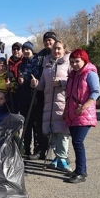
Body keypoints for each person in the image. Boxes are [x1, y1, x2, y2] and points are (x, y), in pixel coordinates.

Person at [30, 40, 72, 172]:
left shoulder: (68, 63)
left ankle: (63, 159)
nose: (56, 51)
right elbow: (42, 85)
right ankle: (56, 158)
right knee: (52, 132)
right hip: (49, 103)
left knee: (63, 133)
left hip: (63, 102)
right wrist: (35, 84)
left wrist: (61, 83)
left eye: (59, 48)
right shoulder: (47, 64)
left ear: (64, 50)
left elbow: (73, 80)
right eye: (54, 49)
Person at [63, 49, 100, 183]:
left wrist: (84, 106)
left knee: (78, 141)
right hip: (73, 114)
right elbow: (69, 96)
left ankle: (81, 172)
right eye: (72, 62)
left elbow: (96, 91)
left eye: (77, 61)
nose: (74, 64)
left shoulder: (90, 74)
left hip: (84, 113)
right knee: (76, 142)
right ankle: (79, 169)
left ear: (85, 60)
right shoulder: (73, 75)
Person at [30, 32, 58, 160]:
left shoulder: (60, 54)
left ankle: (59, 154)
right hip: (41, 92)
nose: (48, 43)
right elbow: (34, 70)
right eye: (46, 40)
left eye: (50, 40)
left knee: (58, 124)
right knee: (40, 123)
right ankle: (41, 149)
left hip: (56, 93)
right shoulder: (40, 55)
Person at [17, 41, 41, 157]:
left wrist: (36, 81)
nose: (26, 51)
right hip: (24, 99)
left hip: (36, 98)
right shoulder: (21, 65)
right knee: (26, 125)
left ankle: (37, 150)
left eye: (28, 49)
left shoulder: (38, 62)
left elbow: (42, 77)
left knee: (36, 126)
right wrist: (20, 81)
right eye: (24, 49)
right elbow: (20, 79)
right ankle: (26, 149)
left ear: (32, 50)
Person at [7, 42, 23, 113]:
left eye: (18, 49)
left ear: (21, 50)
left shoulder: (24, 60)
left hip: (23, 90)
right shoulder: (8, 62)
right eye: (14, 49)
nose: (15, 50)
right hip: (12, 91)